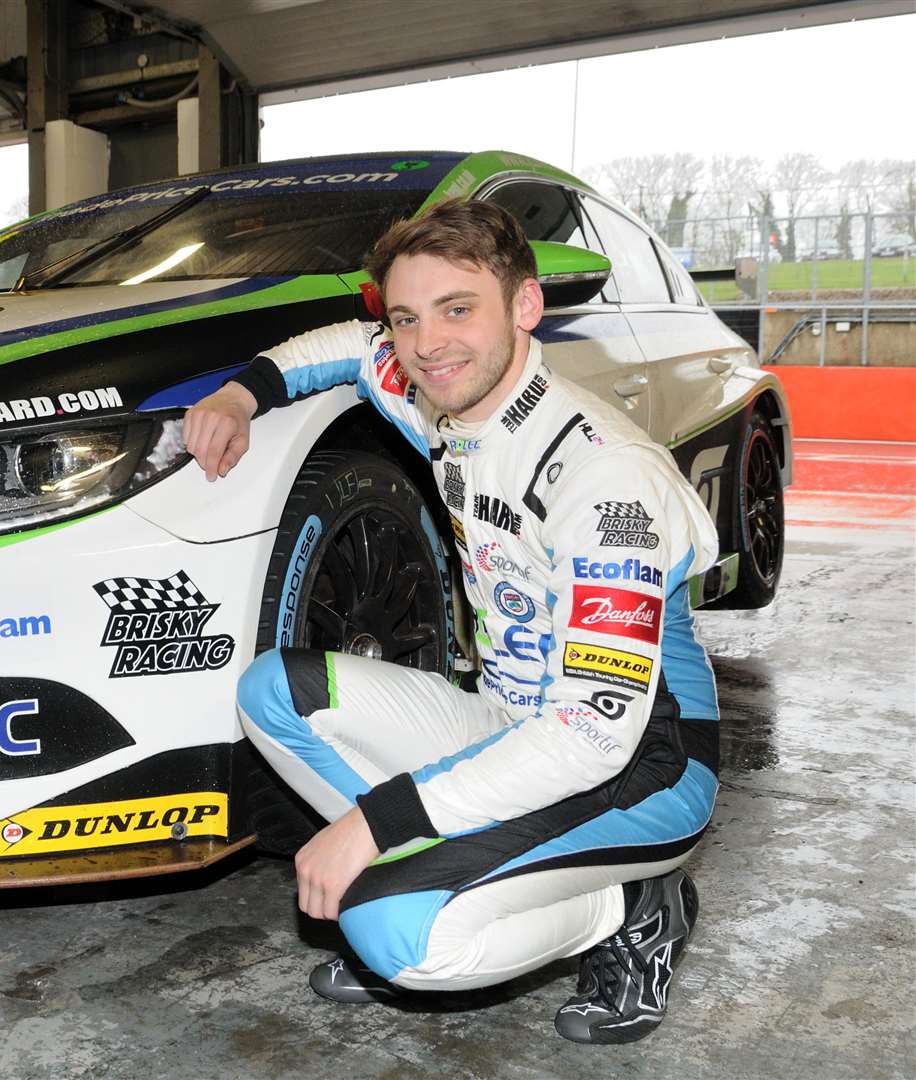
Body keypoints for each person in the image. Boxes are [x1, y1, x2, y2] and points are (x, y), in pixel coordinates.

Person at [185, 199, 720, 1045]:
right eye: (407, 316)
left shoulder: (605, 478)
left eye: (458, 309)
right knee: (270, 692)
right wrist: (239, 395)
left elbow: (591, 736)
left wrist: (376, 824)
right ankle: (436, 870)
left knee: (397, 934)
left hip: (644, 759)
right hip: (508, 718)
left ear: (526, 307)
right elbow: (339, 350)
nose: (427, 343)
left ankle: (627, 911)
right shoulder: (441, 391)